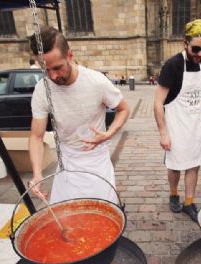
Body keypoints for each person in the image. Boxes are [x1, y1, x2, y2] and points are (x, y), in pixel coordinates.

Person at [28, 26, 130, 204]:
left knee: (103, 214)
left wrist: (109, 133)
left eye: (57, 68)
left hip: (97, 160)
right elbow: (36, 136)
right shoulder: (42, 89)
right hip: (67, 161)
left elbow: (123, 109)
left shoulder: (96, 81)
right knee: (66, 216)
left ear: (70, 55)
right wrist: (37, 174)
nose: (52, 76)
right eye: (45, 70)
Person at [154, 19, 201, 222]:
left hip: (194, 126)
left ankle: (189, 202)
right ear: (185, 43)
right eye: (196, 49)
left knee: (194, 165)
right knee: (175, 165)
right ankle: (173, 194)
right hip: (176, 126)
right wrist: (163, 132)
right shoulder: (173, 65)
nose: (200, 55)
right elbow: (158, 102)